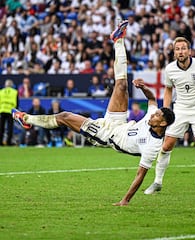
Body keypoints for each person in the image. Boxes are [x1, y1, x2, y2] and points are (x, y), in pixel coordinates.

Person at [12, 20, 175, 206]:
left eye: (157, 116)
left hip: (107, 135)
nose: (152, 115)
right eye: (155, 114)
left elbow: (140, 175)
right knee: (121, 85)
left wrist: (125, 200)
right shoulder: (153, 117)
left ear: (162, 124)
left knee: (65, 117)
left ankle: (26, 119)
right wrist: (144, 88)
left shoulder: (153, 146)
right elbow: (152, 100)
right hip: (119, 122)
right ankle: (118, 40)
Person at [144, 36, 195, 195]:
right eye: (177, 49)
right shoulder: (170, 69)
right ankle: (158, 182)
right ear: (174, 53)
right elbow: (168, 89)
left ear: (189, 51)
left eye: (183, 48)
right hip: (179, 110)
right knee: (166, 146)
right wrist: (166, 111)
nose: (180, 51)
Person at [0, 79, 18, 146]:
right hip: (11, 111)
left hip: (2, 110)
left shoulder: (1, 91)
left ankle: (0, 142)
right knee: (10, 128)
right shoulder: (15, 92)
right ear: (12, 85)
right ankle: (8, 142)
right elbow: (17, 103)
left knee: (1, 128)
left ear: (5, 85)